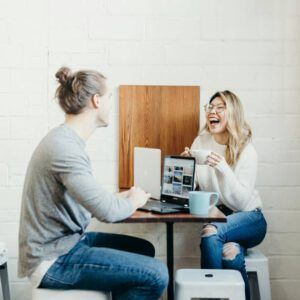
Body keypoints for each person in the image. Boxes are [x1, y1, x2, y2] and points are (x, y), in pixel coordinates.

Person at [18, 67, 169, 300]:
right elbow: (106, 212)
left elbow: (90, 201)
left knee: (144, 249)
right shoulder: (64, 149)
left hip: (68, 244)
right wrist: (134, 200)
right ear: (96, 100)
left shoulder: (67, 141)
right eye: (109, 97)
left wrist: (121, 198)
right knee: (157, 274)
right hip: (53, 260)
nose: (111, 104)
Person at [182, 90, 267, 300]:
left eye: (220, 107)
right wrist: (188, 168)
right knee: (231, 255)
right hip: (222, 218)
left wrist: (223, 167)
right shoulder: (200, 142)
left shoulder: (246, 150)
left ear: (233, 114)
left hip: (250, 218)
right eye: (210, 107)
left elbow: (241, 201)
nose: (213, 111)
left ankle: (209, 296)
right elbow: (195, 190)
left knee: (210, 232)